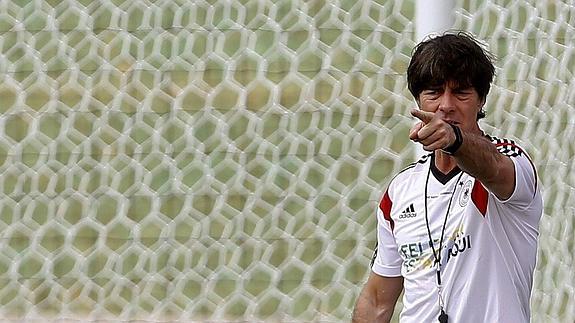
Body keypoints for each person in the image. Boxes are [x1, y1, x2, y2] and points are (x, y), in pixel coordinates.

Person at [352, 31, 543, 323]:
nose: (446, 105)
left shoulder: (510, 161)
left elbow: (493, 167)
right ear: (418, 101)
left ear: (481, 101)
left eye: (461, 92)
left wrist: (455, 140)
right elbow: (378, 300)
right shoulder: (401, 191)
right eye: (433, 92)